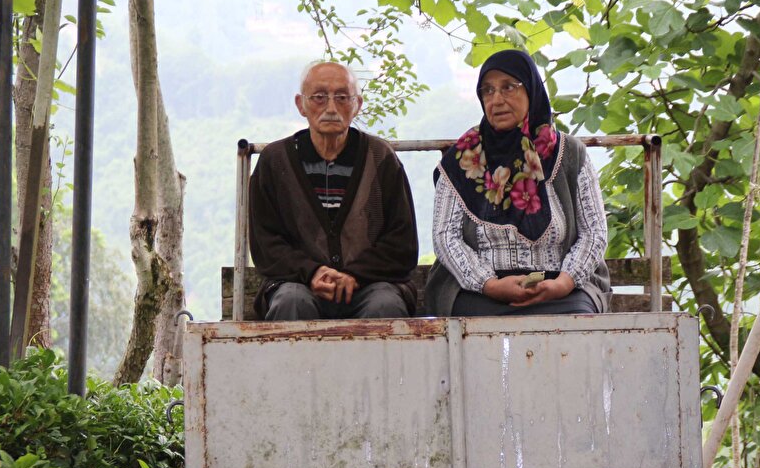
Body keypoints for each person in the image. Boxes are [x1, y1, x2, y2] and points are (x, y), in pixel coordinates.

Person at [425, 49, 612, 317]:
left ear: (531, 91)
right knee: (473, 322)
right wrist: (489, 285)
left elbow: (594, 231)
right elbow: (445, 237)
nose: (496, 100)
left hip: (561, 289)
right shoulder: (462, 160)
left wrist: (563, 282)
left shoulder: (569, 154)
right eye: (487, 91)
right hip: (481, 292)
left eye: (508, 87)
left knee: (575, 319)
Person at [249, 61, 419, 320]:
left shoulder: (381, 158)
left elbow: (402, 242)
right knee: (290, 302)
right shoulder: (275, 161)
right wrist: (313, 272)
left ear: (357, 105)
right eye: (319, 97)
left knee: (385, 306)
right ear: (300, 104)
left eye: (342, 97)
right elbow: (266, 243)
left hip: (370, 284)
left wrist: (355, 275)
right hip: (298, 283)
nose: (330, 108)